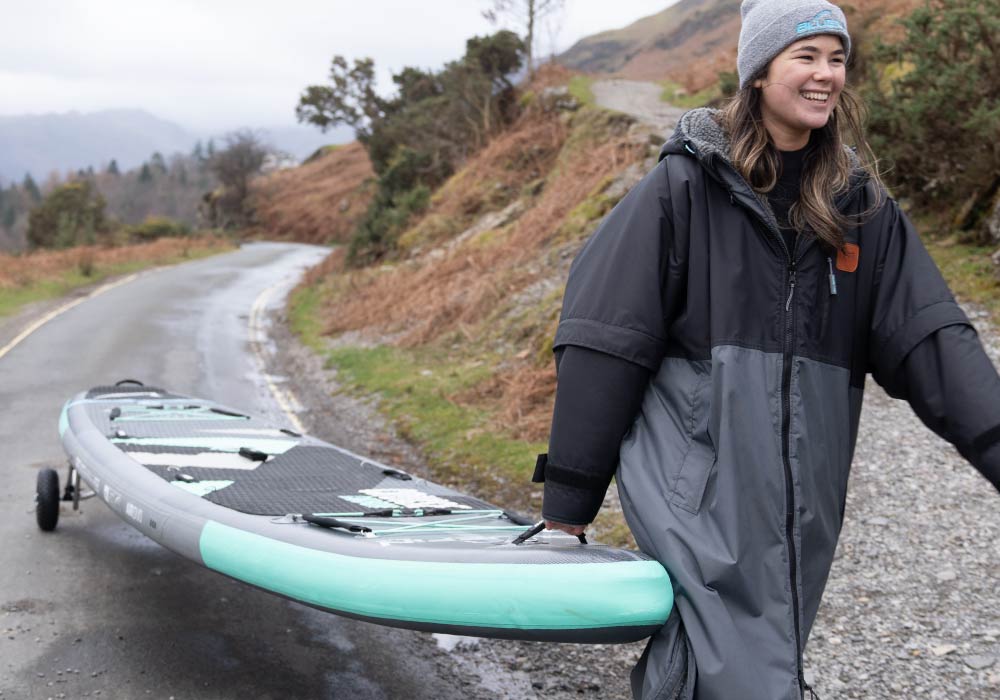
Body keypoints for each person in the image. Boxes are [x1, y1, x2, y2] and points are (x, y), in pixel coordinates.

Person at [531, 1, 1000, 698]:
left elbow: (931, 337)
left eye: (836, 59)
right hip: (696, 493)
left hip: (800, 501)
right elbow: (607, 342)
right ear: (758, 73)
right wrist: (568, 508)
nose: (826, 76)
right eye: (805, 57)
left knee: (737, 659)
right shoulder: (684, 189)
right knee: (726, 666)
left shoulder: (858, 208)